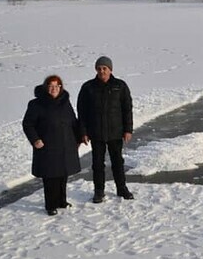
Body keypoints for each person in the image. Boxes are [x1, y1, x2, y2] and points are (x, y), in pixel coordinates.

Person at [22, 75, 83, 216]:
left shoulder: (65, 102)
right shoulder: (36, 104)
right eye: (51, 86)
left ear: (61, 87)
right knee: (50, 177)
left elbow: (73, 121)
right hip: (47, 146)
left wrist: (78, 138)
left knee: (63, 174)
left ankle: (62, 201)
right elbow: (28, 124)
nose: (54, 89)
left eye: (57, 86)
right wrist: (35, 139)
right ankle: (50, 205)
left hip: (65, 145)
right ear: (46, 87)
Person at [77, 56, 134, 203]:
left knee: (117, 162)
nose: (102, 71)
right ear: (96, 70)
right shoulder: (88, 87)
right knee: (97, 164)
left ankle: (122, 188)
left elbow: (127, 109)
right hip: (96, 133)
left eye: (105, 68)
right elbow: (82, 111)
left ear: (110, 70)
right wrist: (83, 132)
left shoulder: (120, 86)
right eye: (99, 68)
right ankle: (99, 191)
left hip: (116, 132)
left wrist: (128, 129)